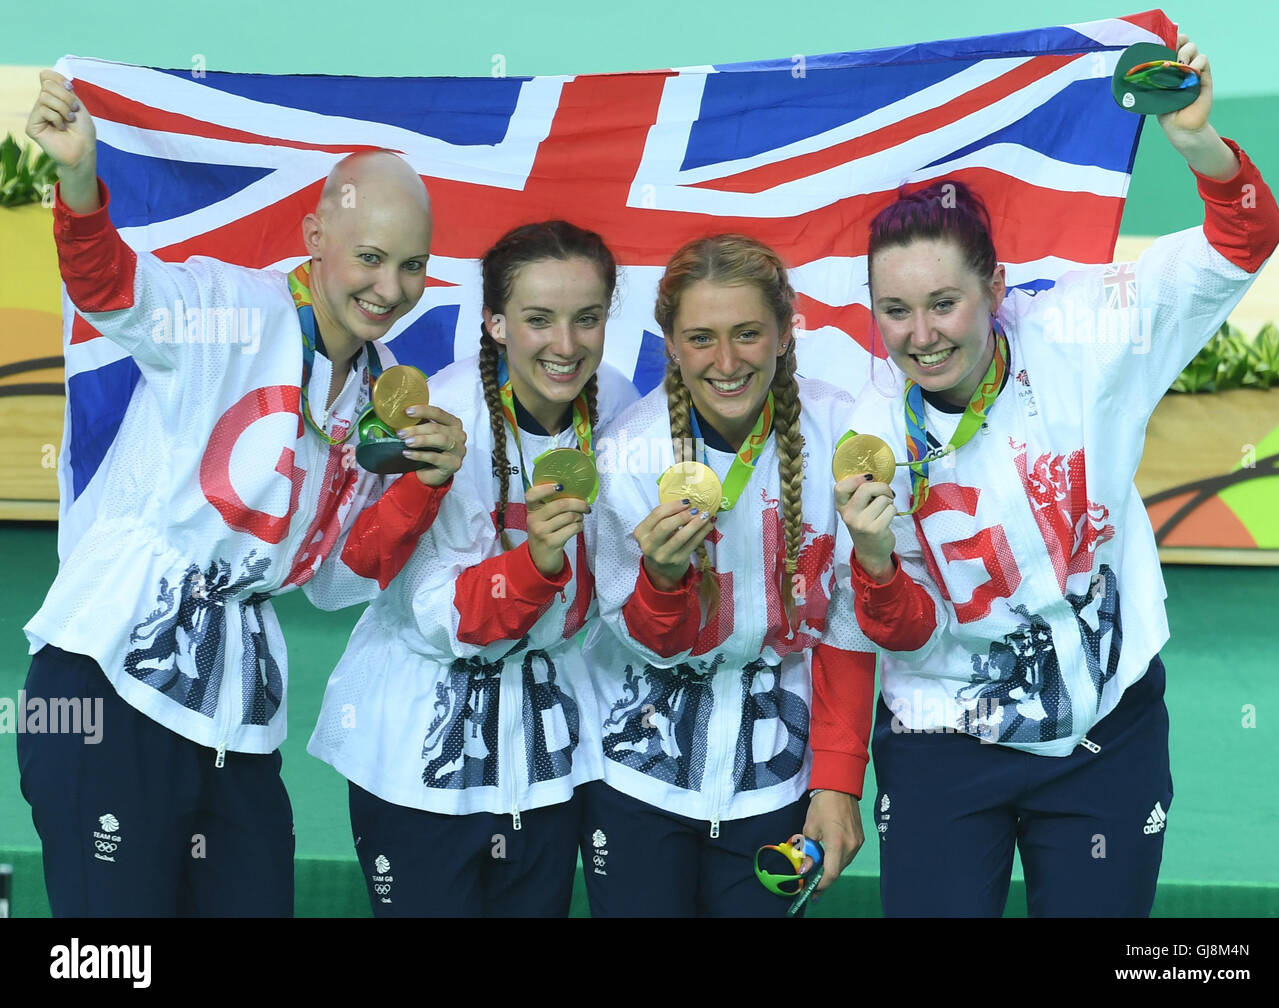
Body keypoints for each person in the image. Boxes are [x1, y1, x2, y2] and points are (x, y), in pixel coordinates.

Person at [838, 33, 1279, 916]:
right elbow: (906, 633)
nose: (920, 334)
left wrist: (1197, 141)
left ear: (997, 286)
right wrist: (874, 558)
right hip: (942, 740)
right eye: (895, 310)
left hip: (1105, 733)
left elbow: (1244, 240)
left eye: (943, 303)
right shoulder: (866, 430)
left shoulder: (1090, 336)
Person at [18, 69, 466, 916]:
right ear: (314, 237)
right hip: (101, 682)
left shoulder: (378, 398)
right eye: (370, 257)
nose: (391, 288)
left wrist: (423, 490)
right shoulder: (230, 307)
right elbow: (112, 289)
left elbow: (335, 583)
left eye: (412, 266)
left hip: (235, 720)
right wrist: (79, 180)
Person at [581, 234, 935, 916]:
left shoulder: (844, 432)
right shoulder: (627, 452)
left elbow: (845, 627)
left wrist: (836, 781)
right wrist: (660, 576)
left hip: (777, 778)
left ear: (784, 332)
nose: (725, 361)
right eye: (701, 338)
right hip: (635, 779)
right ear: (671, 342)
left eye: (748, 333)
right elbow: (638, 638)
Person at [308, 220, 638, 917]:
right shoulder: (439, 420)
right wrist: (538, 563)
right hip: (415, 751)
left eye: (588, 319)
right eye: (538, 320)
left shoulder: (617, 404)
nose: (566, 345)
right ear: (493, 321)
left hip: (546, 755)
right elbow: (441, 613)